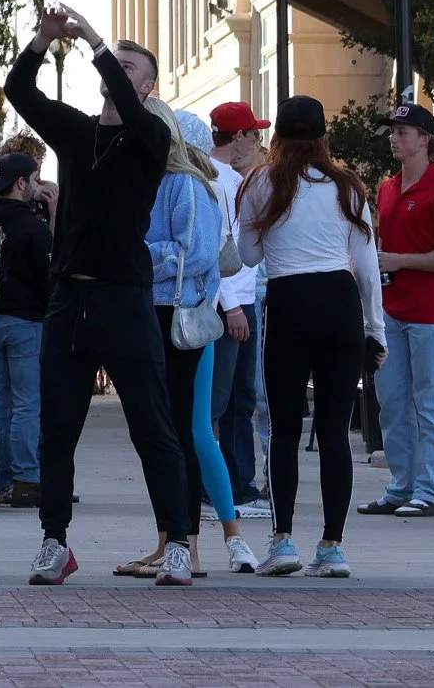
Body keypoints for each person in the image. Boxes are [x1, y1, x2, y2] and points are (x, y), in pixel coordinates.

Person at [4, 7, 194, 588]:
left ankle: (179, 542)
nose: (116, 71)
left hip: (126, 300)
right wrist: (42, 39)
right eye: (117, 62)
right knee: (56, 430)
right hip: (69, 301)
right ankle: (54, 542)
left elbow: (131, 112)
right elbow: (19, 90)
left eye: (129, 65)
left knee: (152, 426)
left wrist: (93, 39)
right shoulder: (78, 132)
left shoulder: (152, 137)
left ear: (146, 85)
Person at [237, 95, 385, 577]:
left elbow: (249, 255)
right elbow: (367, 268)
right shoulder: (347, 186)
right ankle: (333, 545)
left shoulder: (262, 182)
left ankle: (282, 541)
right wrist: (375, 332)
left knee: (283, 428)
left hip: (289, 304)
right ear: (324, 137)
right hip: (340, 303)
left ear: (276, 136)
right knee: (335, 430)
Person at [115, 105, 254, 578]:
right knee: (161, 431)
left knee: (184, 431)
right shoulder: (147, 180)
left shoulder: (190, 184)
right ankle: (171, 539)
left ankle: (189, 543)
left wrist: (133, 254)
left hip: (180, 316)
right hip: (150, 312)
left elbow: (195, 254)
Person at [360, 102, 434, 519]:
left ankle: (430, 489)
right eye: (393, 130)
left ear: (425, 139)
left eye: (403, 131)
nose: (394, 137)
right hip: (392, 308)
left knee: (430, 400)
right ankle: (401, 486)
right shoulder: (388, 188)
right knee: (390, 400)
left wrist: (401, 260)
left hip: (429, 310)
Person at [0, 150, 53, 507]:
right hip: (25, 321)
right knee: (27, 404)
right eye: (34, 180)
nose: (37, 186)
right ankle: (26, 478)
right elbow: (47, 278)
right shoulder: (31, 227)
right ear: (21, 183)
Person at [208, 101, 271, 517]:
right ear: (240, 138)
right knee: (227, 400)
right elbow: (221, 249)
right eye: (254, 134)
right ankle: (231, 487)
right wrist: (232, 307)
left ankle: (234, 482)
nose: (260, 141)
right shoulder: (226, 183)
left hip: (237, 300)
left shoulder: (219, 179)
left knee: (236, 398)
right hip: (231, 303)